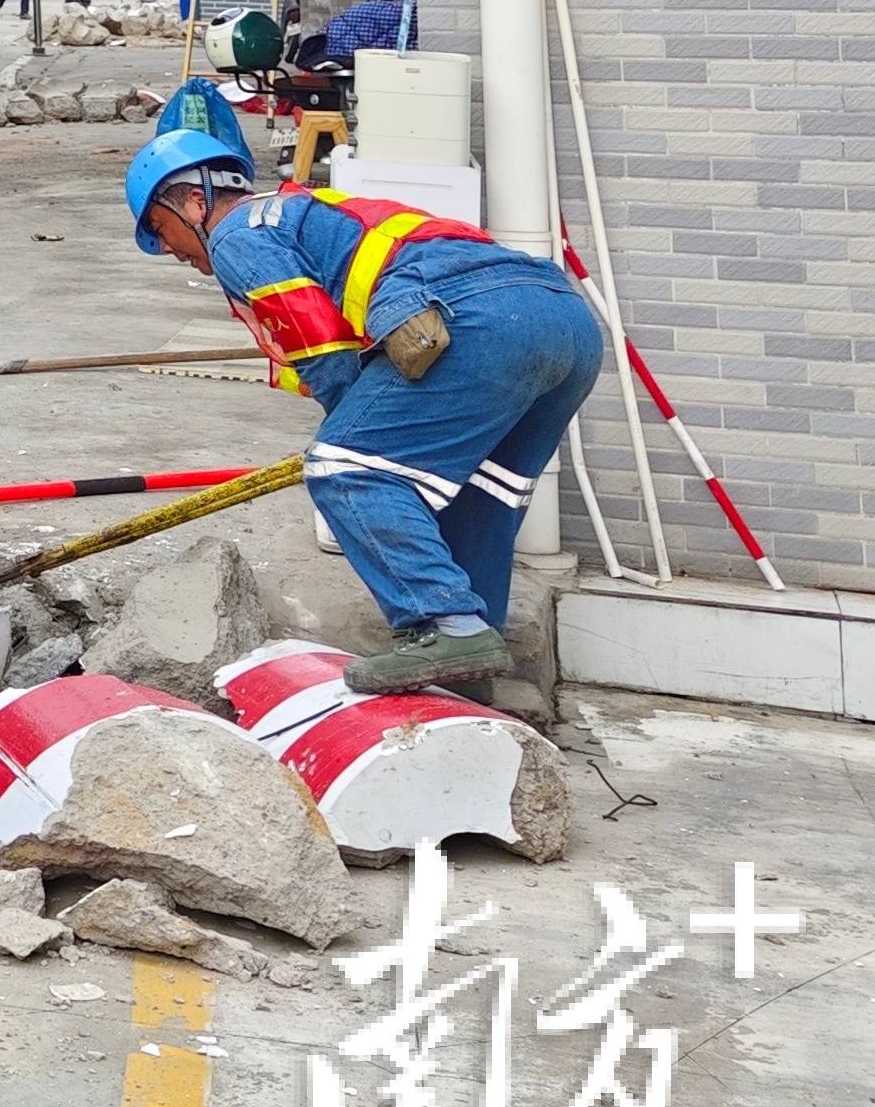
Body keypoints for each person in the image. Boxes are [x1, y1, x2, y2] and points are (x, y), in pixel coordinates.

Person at [125, 103, 607, 692]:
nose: (169, 249)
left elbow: (317, 343)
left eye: (160, 229)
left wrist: (354, 434)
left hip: (475, 322)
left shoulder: (236, 235)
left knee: (345, 468)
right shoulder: (310, 209)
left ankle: (446, 626)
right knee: (480, 496)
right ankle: (470, 670)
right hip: (563, 320)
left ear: (193, 202)